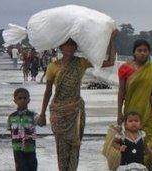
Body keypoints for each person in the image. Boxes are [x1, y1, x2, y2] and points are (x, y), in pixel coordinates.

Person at [37, 32, 116, 171]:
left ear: (76, 47)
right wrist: (42, 113)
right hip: (59, 112)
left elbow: (109, 62)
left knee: (75, 146)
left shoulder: (81, 63)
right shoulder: (53, 67)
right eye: (66, 45)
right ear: (60, 47)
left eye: (72, 45)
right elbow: (48, 91)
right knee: (61, 148)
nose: (69, 48)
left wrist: (111, 40)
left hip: (76, 111)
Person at [117, 39, 152, 170]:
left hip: (149, 113)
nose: (142, 53)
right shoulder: (125, 68)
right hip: (132, 114)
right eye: (139, 50)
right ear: (134, 52)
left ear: (149, 53)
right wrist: (119, 112)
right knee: (131, 148)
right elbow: (121, 91)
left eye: (145, 51)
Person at [7, 88, 38, 171]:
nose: (22, 100)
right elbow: (11, 132)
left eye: (25, 98)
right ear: (15, 101)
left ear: (29, 100)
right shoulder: (11, 117)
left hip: (30, 148)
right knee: (20, 168)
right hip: (17, 149)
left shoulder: (33, 115)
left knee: (32, 167)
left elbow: (40, 122)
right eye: (19, 98)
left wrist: (43, 117)